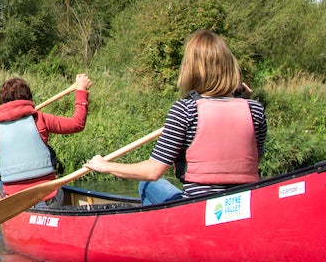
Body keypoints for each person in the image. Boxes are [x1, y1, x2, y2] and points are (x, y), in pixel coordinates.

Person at [86, 30, 266, 205]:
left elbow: (153, 171)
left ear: (192, 69)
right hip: (245, 205)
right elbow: (252, 158)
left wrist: (106, 166)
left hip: (198, 208)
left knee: (147, 184)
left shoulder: (185, 110)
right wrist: (241, 100)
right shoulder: (254, 109)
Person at [0, 73, 91, 193]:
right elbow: (77, 124)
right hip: (48, 196)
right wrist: (81, 91)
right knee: (46, 149)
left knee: (0, 168)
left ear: (1, 102)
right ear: (29, 98)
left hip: (13, 200)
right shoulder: (40, 118)